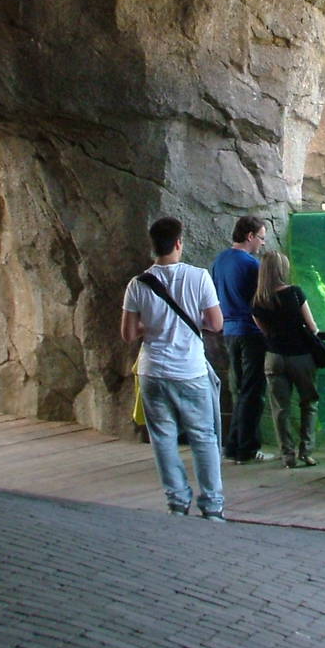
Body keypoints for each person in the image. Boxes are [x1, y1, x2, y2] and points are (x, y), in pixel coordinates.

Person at [121, 216, 226, 520]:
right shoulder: (199, 277)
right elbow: (216, 323)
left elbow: (128, 333)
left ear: (153, 246)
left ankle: (177, 502)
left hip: (152, 370)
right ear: (179, 243)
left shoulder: (137, 284)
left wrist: (152, 325)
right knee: (203, 437)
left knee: (163, 438)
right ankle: (212, 505)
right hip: (190, 370)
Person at [251, 249, 323, 469]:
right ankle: (307, 451)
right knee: (308, 403)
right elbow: (311, 326)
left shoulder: (258, 300)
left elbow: (264, 331)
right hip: (301, 356)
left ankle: (287, 455)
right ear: (283, 269)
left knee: (280, 409)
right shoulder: (295, 293)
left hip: (274, 358)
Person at [211, 217, 270, 465]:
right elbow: (259, 302)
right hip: (251, 332)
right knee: (252, 391)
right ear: (249, 236)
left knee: (238, 390)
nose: (262, 243)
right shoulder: (251, 264)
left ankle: (232, 445)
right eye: (261, 237)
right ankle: (246, 448)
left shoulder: (219, 261)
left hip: (229, 332)